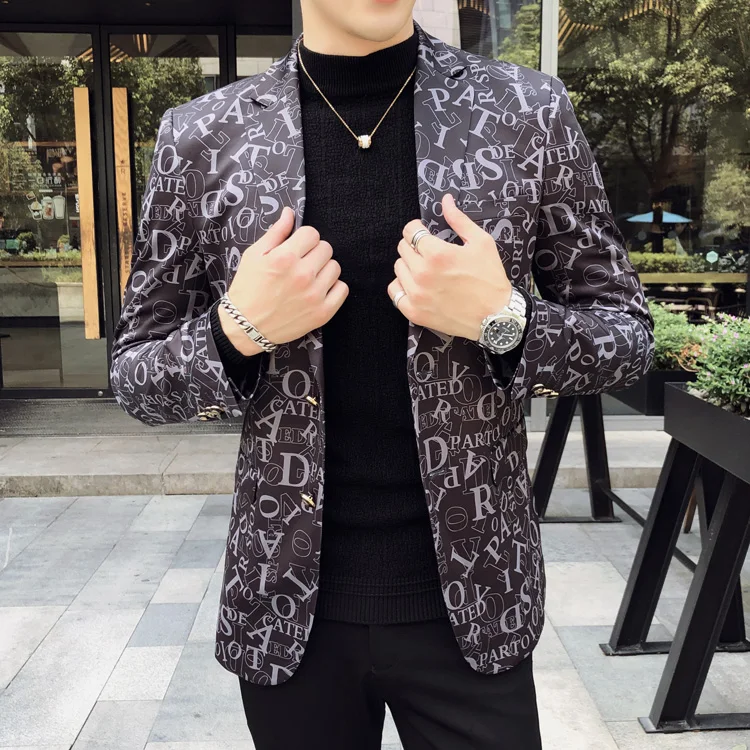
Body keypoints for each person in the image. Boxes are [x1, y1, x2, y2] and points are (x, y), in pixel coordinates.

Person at [110, 1, 654, 748]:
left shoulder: (524, 112)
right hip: (286, 606)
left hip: (475, 597)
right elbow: (135, 375)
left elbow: (625, 336)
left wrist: (504, 320)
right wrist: (237, 329)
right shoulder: (205, 133)